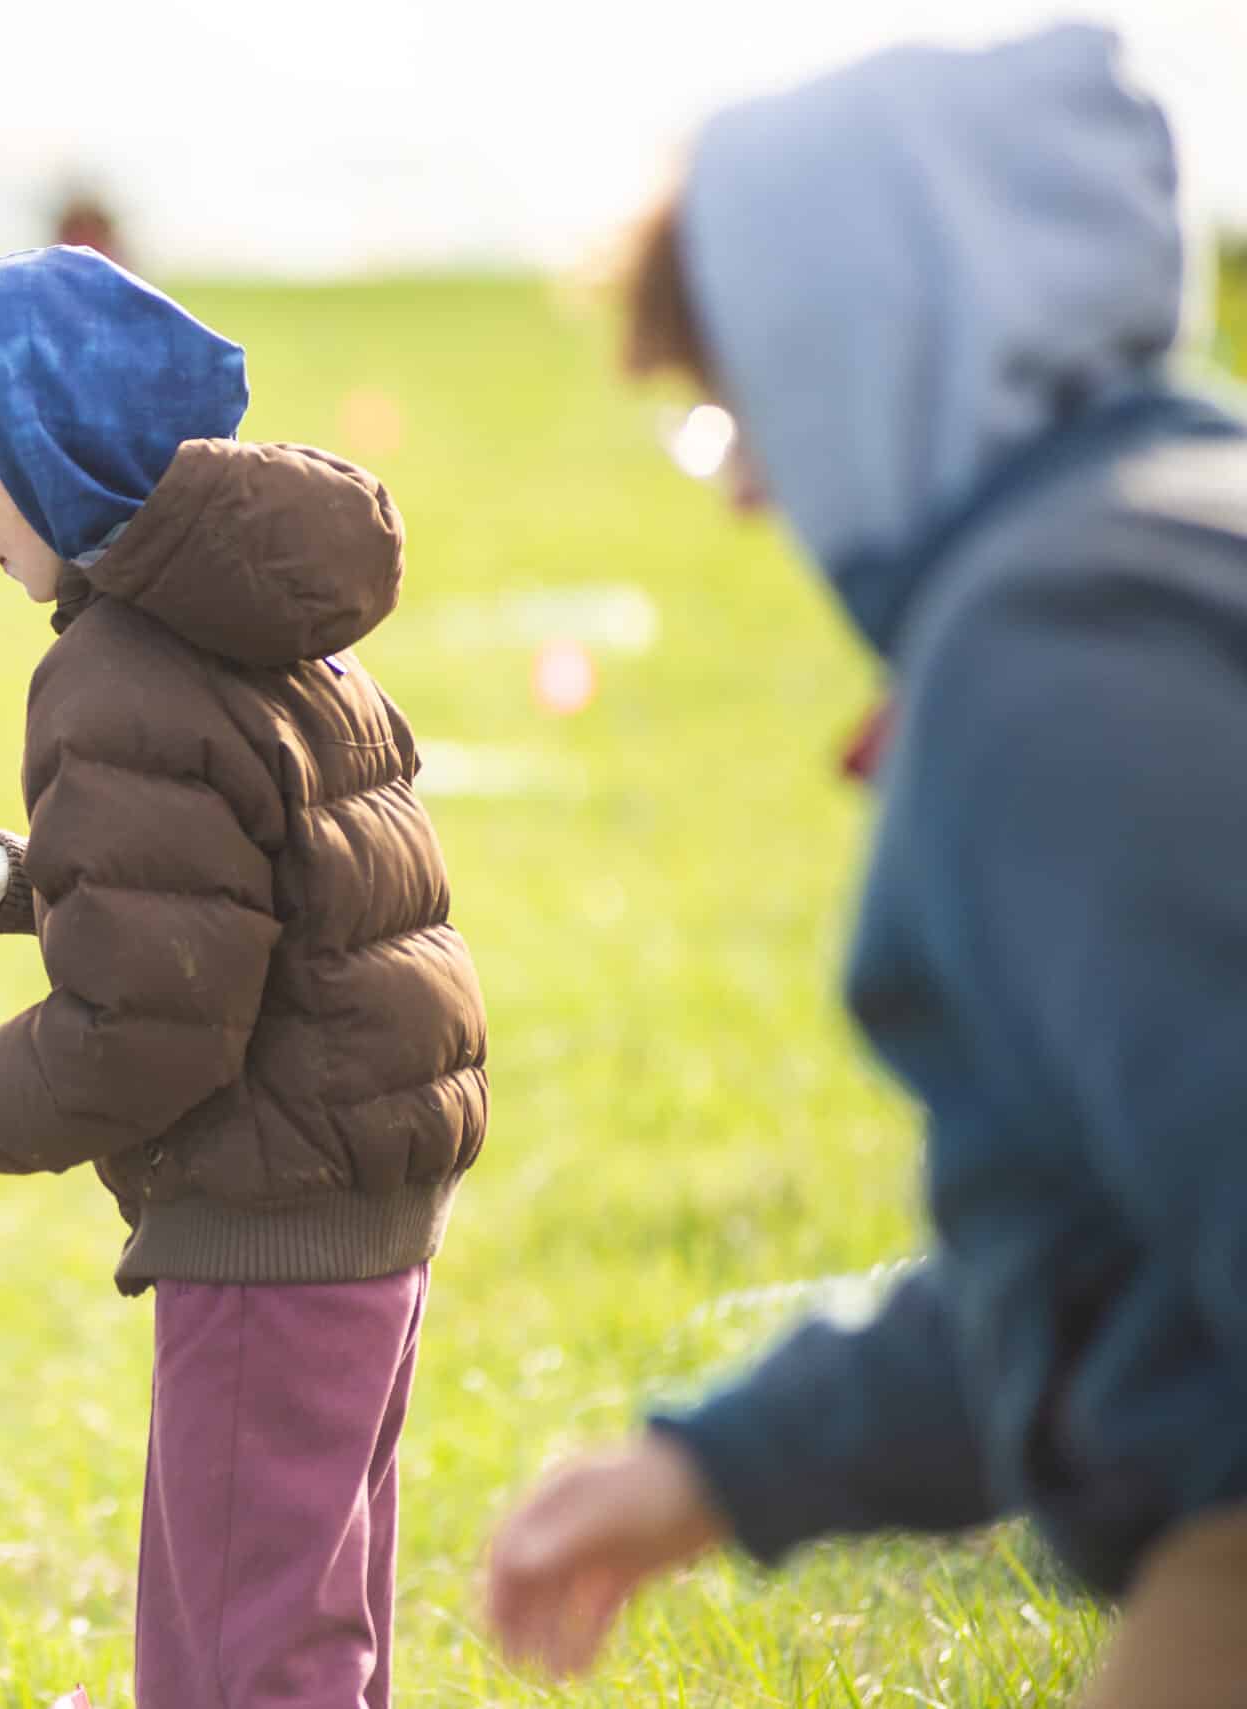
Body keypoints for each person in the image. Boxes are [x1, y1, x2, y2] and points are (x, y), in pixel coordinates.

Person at [481, 27, 1247, 1705]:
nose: (749, 487)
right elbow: (1116, 1258)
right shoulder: (1164, 535)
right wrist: (732, 1463)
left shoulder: (1065, 647)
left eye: (740, 405)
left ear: (868, 353)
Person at [0, 246, 489, 1709]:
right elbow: (241, 891)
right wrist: (5, 874)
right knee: (309, 1640)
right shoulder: (252, 613)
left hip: (266, 1223)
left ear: (44, 454)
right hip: (360, 1200)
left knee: (234, 1670)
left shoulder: (118, 672)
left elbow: (141, 1038)